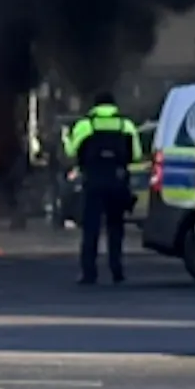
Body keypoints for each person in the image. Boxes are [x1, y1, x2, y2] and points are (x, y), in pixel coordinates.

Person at [64, 91, 142, 286]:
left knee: (91, 230)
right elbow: (137, 155)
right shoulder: (126, 125)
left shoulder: (85, 125)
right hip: (118, 184)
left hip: (93, 184)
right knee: (116, 229)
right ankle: (117, 271)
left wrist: (66, 137)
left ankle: (89, 273)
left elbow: (71, 151)